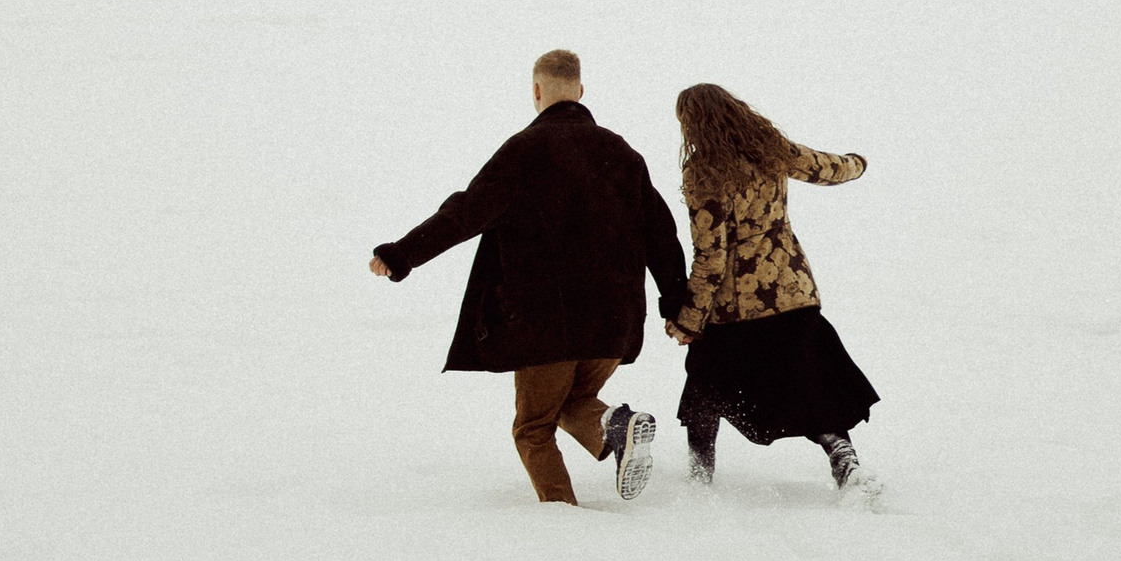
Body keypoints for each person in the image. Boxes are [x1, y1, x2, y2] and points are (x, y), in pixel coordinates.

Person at [371, 48, 690, 506]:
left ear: (537, 92)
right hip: (613, 323)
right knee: (571, 403)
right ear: (580, 91)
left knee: (533, 428)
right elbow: (662, 235)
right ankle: (613, 425)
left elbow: (464, 212)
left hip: (546, 323)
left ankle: (561, 520)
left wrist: (402, 254)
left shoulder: (524, 151)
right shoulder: (622, 154)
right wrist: (677, 305)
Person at [664, 82, 880, 496]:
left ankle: (698, 480)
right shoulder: (770, 149)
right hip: (793, 294)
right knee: (810, 384)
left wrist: (689, 320)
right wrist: (859, 163)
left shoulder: (703, 172)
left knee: (704, 390)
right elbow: (827, 168)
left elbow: (711, 256)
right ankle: (845, 460)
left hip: (734, 310)